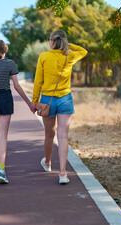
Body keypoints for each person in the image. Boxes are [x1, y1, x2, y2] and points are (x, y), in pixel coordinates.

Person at [31, 30, 87, 184]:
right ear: (63, 41)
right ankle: (63, 174)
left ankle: (48, 163)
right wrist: (67, 45)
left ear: (52, 41)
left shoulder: (44, 56)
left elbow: (38, 82)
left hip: (47, 100)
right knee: (62, 136)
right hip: (65, 99)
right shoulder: (69, 55)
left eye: (50, 40)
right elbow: (83, 51)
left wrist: (34, 101)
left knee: (49, 134)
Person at [0, 40, 36, 184]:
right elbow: (17, 86)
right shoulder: (10, 64)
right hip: (6, 97)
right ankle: (2, 170)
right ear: (5, 50)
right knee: (3, 135)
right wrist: (29, 103)